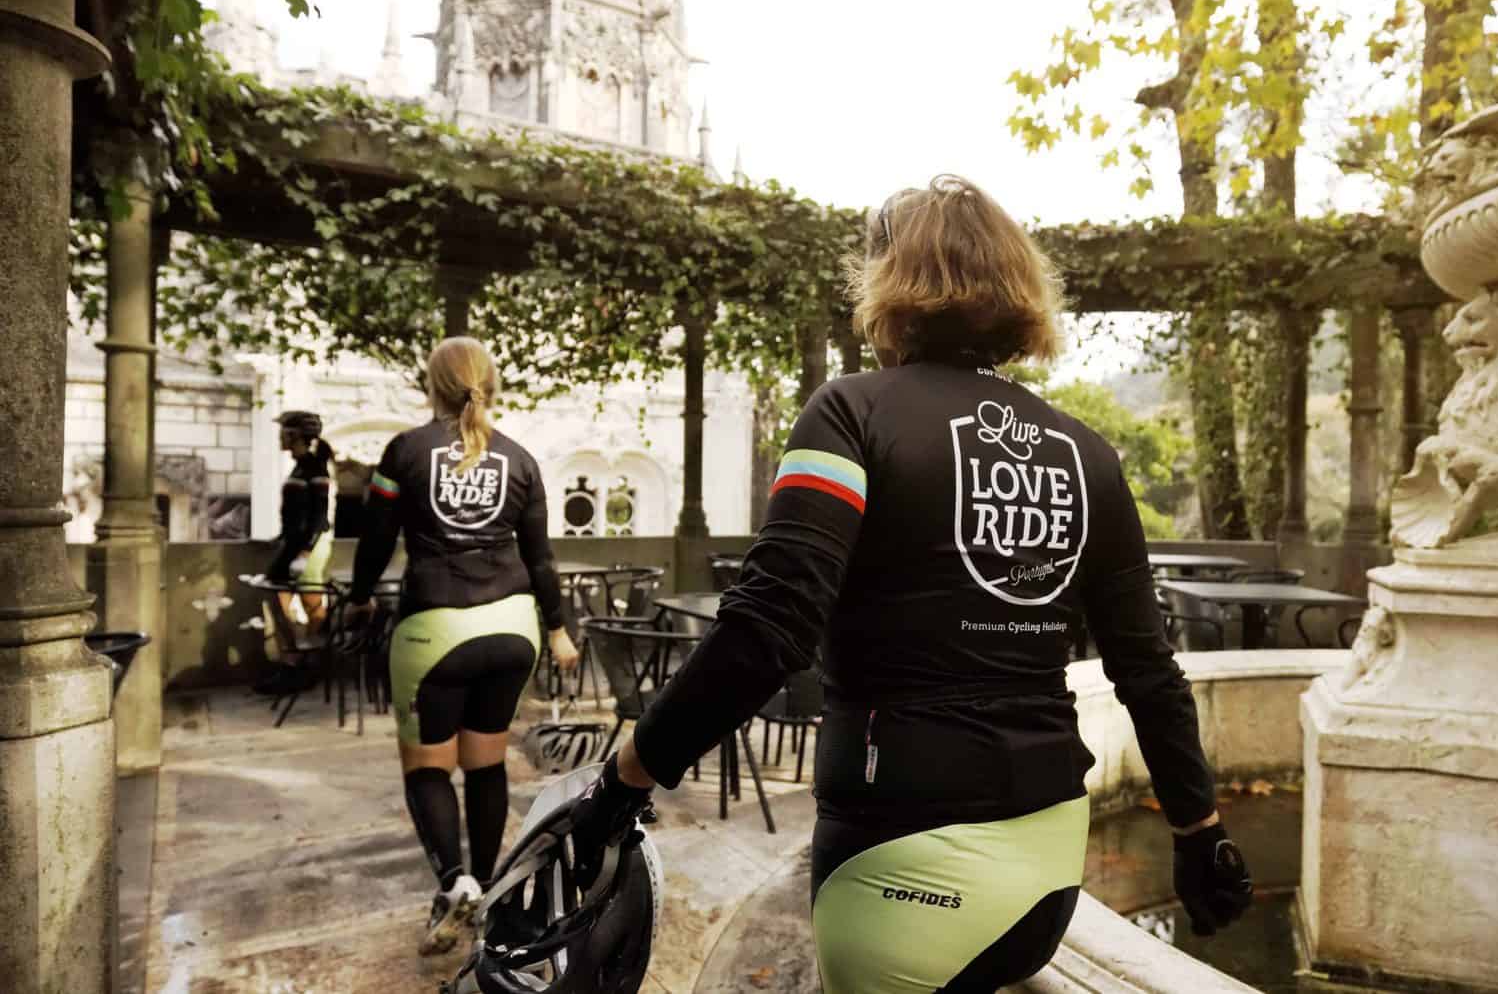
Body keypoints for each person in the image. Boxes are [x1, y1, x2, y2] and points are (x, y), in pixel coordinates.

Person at [566, 176, 1252, 993]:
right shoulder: (1088, 454)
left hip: (898, 860)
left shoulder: (851, 415)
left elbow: (769, 629)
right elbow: (1146, 669)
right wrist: (1199, 828)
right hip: (1047, 867)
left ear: (889, 285)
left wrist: (627, 776)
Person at [343, 336, 581, 955]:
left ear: (434, 385)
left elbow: (376, 539)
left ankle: (455, 885)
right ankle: (489, 889)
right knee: (484, 762)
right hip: (513, 629)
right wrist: (558, 628)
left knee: (429, 767)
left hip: (436, 628)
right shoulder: (521, 460)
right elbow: (541, 558)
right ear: (490, 386)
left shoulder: (404, 451)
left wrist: (360, 597)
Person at [253, 411, 334, 695]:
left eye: (284, 432)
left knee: (312, 604)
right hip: (292, 544)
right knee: (277, 597)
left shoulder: (315, 467)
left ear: (296, 435)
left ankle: (309, 667)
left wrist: (305, 553)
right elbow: (294, 515)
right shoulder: (299, 467)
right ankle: (292, 664)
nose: (280, 437)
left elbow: (319, 516)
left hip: (308, 547)